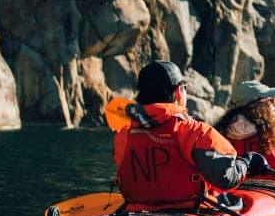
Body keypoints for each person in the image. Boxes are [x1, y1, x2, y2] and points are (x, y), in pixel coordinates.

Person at [112, 61, 263, 208]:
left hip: (138, 210)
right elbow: (226, 179)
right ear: (178, 92)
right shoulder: (197, 133)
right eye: (185, 87)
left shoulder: (123, 136)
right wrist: (247, 162)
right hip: (190, 212)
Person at [215, 80, 275, 176]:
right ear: (257, 107)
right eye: (270, 100)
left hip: (232, 188)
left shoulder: (217, 135)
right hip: (273, 187)